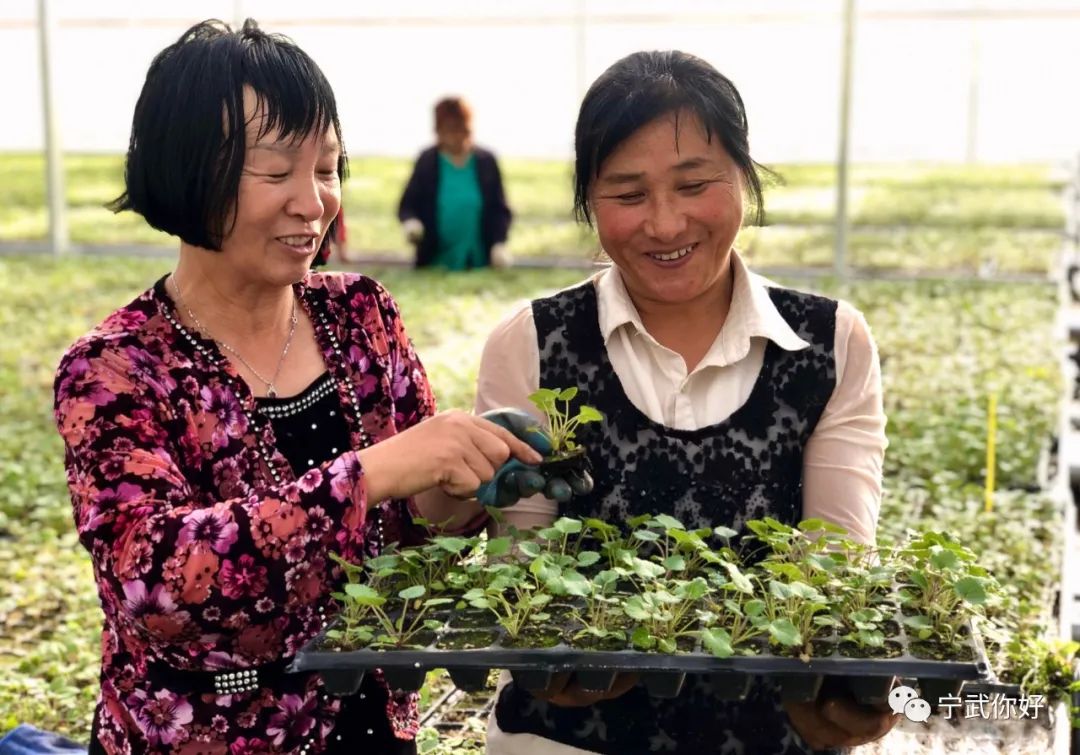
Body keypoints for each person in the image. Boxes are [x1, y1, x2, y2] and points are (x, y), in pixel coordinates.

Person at [53, 20, 543, 754]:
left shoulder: (361, 315)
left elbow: (413, 529)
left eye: (328, 168)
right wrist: (373, 472)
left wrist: (461, 477)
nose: (314, 202)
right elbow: (154, 582)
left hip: (373, 729)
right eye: (278, 173)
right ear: (186, 166)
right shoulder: (116, 368)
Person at [472, 51, 898, 754]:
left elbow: (836, 569)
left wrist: (844, 690)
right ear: (589, 200)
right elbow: (519, 564)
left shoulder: (827, 343)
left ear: (744, 177)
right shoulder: (535, 341)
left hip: (769, 735)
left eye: (694, 184)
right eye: (628, 194)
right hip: (565, 739)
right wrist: (543, 664)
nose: (664, 224)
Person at [398, 97, 513, 270]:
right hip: (435, 260)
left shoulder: (486, 161)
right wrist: (411, 223)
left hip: (479, 258)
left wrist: (499, 243)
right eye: (450, 130)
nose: (457, 136)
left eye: (462, 129)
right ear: (438, 131)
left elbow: (500, 208)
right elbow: (407, 205)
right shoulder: (427, 161)